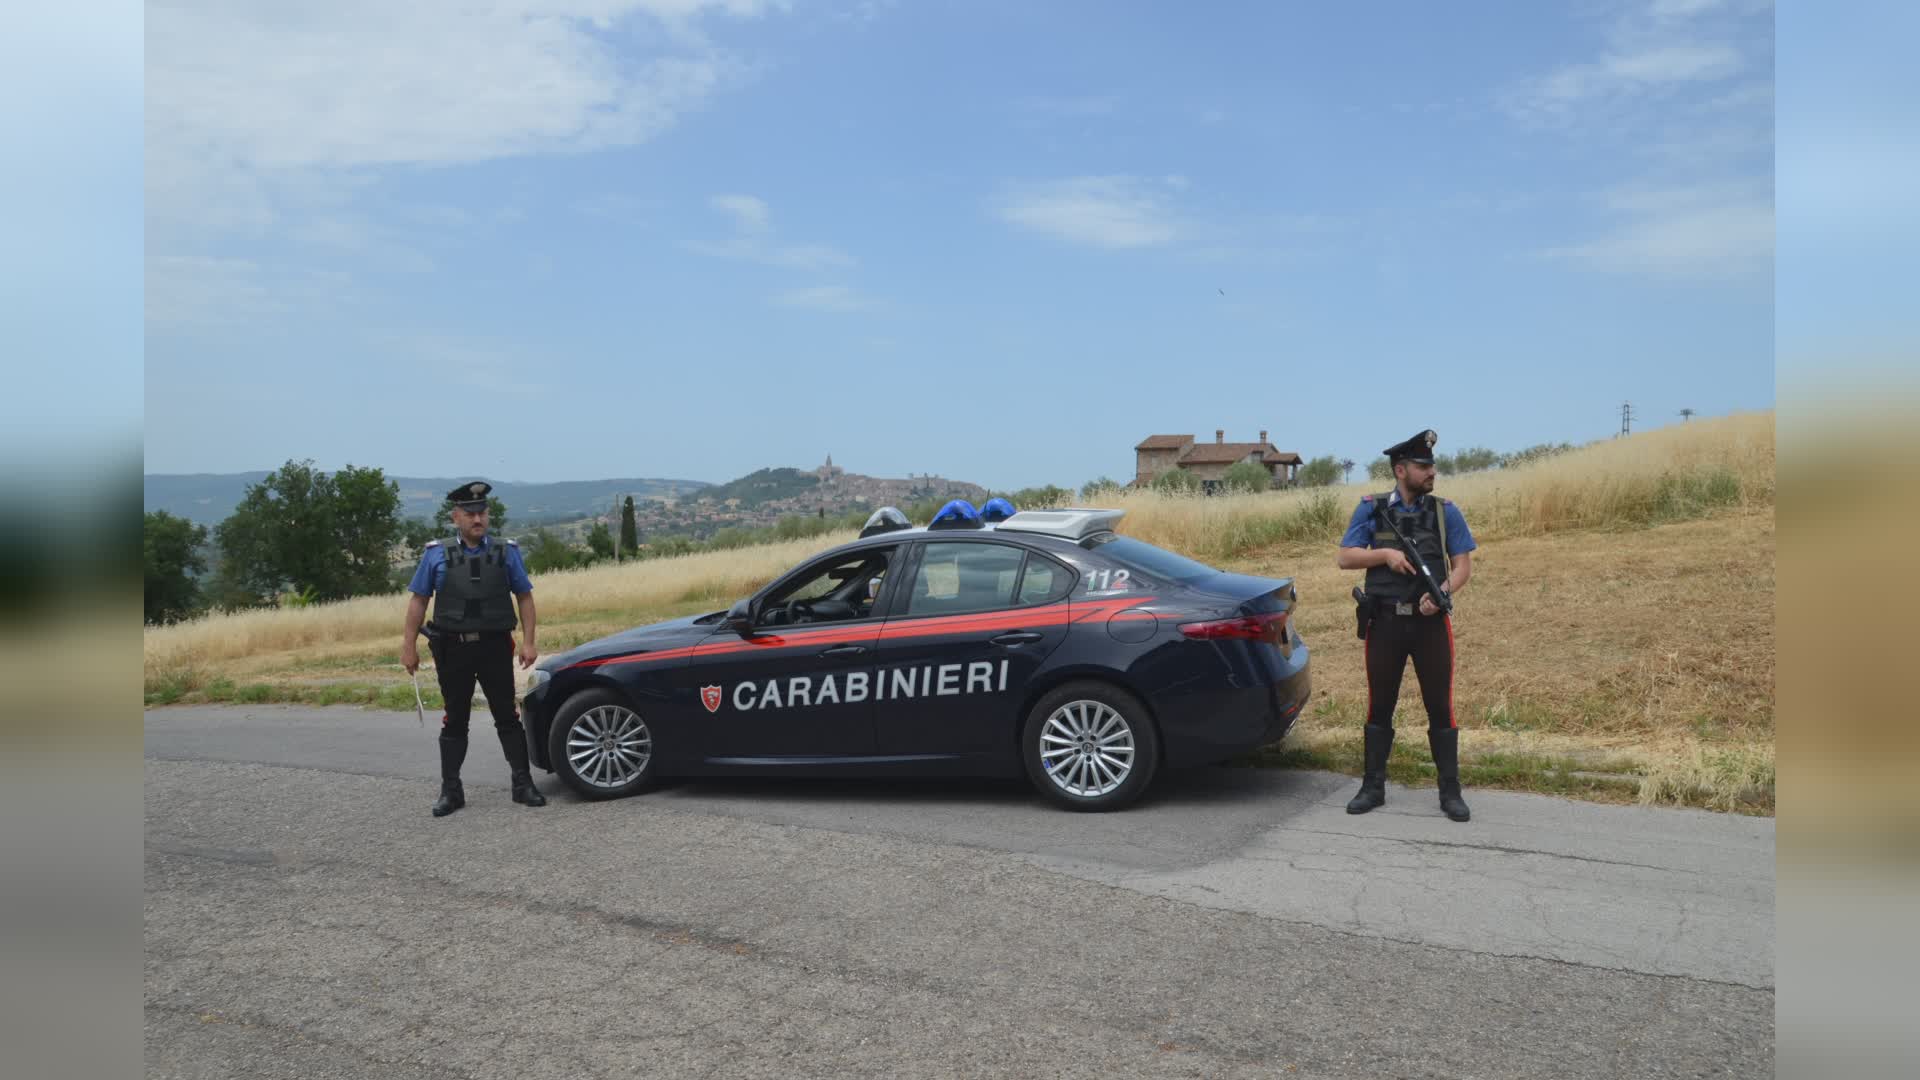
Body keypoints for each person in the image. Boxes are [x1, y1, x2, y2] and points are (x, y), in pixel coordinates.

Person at [1336, 430, 1477, 822]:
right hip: (1384, 623)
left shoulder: (1445, 511)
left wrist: (1442, 592)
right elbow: (1346, 558)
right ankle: (1372, 787)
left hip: (1430, 627)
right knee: (1380, 705)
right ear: (1401, 470)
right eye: (1423, 465)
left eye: (1432, 464)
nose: (1432, 471)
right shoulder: (1371, 508)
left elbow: (1463, 566)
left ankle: (1450, 792)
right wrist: (1385, 555)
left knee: (1440, 708)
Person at [400, 481, 546, 817]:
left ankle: (522, 784)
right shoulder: (436, 554)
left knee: (507, 717)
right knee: (455, 720)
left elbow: (524, 596)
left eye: (481, 512)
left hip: (495, 647)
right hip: (453, 650)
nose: (477, 519)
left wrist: (528, 641)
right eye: (469, 513)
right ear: (456, 517)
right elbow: (418, 601)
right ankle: (451, 791)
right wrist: (408, 646)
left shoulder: (507, 552)